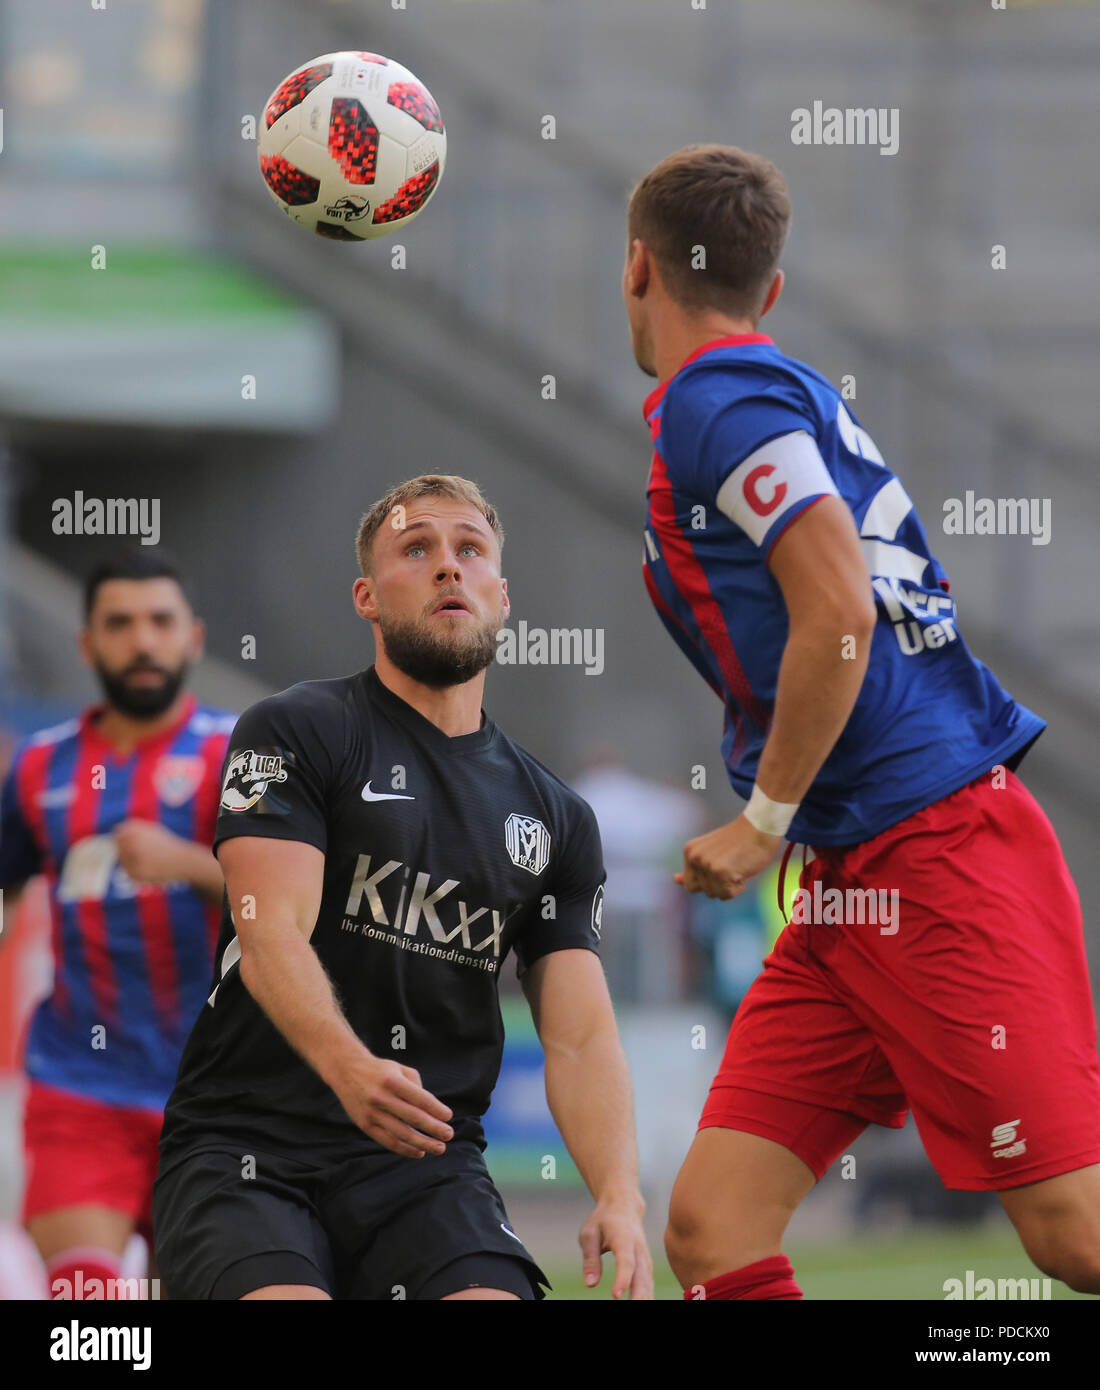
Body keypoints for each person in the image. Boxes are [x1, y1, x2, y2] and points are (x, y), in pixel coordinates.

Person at [621, 143, 1100, 1301]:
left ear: (636, 267)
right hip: (856, 874)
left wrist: (759, 820)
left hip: (929, 847)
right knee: (711, 1226)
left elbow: (834, 608)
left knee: (1073, 1234)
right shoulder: (774, 393)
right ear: (769, 288)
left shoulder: (715, 396)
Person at [152, 474, 652, 1301]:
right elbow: (268, 928)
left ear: (501, 593)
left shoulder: (558, 817)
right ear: (368, 597)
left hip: (425, 1166)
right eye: (416, 549)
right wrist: (350, 1069)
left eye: (469, 550)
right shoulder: (296, 728)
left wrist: (619, 1194)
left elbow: (580, 1038)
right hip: (246, 1149)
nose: (447, 568)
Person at [0, 548, 232, 1299]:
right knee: (88, 1308)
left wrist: (188, 862)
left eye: (159, 622)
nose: (142, 641)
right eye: (120, 623)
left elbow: (299, 899)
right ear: (87, 644)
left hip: (218, 1092)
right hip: (79, 1085)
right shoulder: (38, 768)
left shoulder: (244, 755)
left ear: (193, 638)